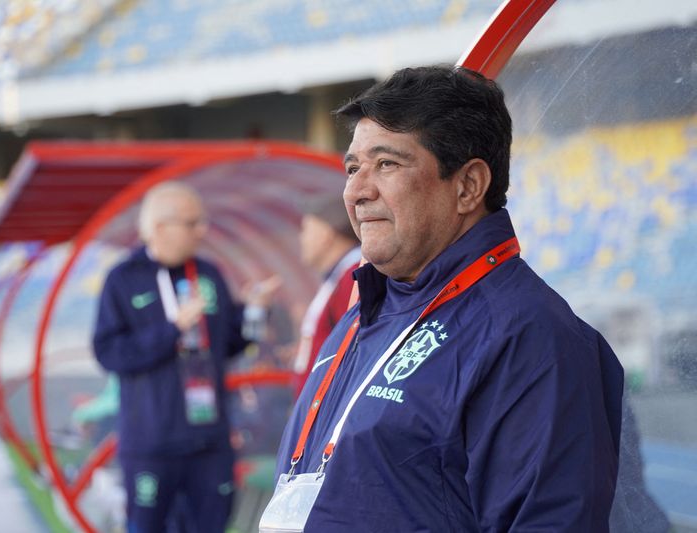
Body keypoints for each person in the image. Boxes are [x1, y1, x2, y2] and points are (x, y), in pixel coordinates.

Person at [263, 65, 624, 532]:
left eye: (387, 164)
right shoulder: (367, 311)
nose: (356, 190)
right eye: (353, 167)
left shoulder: (529, 335)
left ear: (469, 186)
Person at [92, 181, 276, 533]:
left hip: (209, 439)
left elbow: (230, 345)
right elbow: (110, 353)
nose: (201, 231)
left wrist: (255, 313)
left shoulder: (208, 273)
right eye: (191, 223)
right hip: (152, 443)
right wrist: (172, 329)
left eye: (202, 222)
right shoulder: (123, 279)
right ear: (159, 227)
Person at [292, 193, 360, 395]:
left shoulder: (353, 277)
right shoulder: (342, 275)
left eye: (306, 229)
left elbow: (353, 349)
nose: (301, 238)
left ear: (325, 233)